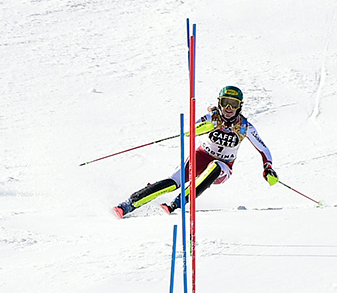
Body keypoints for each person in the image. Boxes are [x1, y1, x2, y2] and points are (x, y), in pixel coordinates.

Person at [114, 86, 277, 218]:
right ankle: (128, 204)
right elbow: (188, 131)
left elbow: (264, 149)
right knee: (173, 182)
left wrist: (268, 167)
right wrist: (199, 128)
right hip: (200, 156)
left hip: (224, 167)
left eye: (233, 104)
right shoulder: (211, 118)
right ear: (219, 103)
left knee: (216, 165)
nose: (229, 108)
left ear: (239, 106)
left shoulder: (245, 126)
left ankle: (177, 203)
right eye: (225, 102)